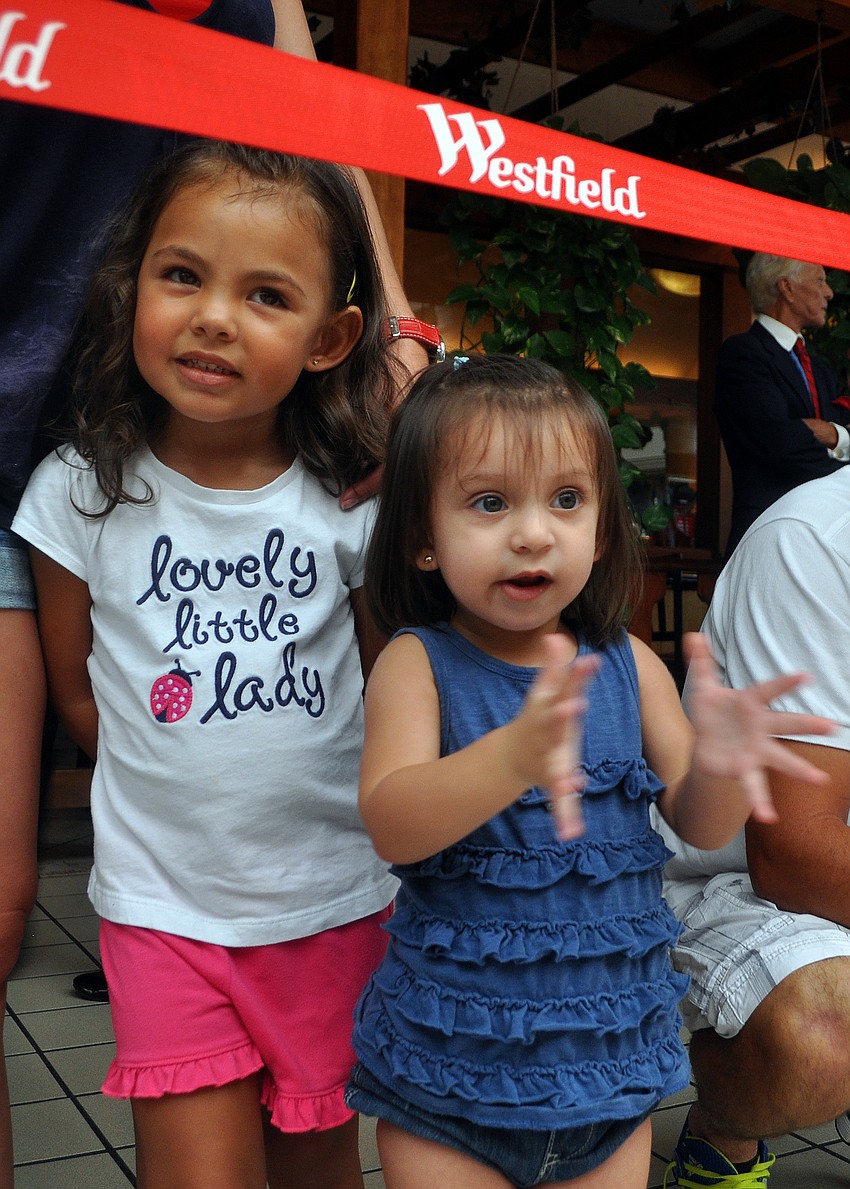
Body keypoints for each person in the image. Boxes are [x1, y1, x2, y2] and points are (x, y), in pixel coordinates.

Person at [342, 353, 834, 1189]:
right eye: (490, 502)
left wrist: (721, 763)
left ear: (601, 529)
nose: (534, 531)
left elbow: (700, 824)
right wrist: (510, 757)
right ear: (423, 537)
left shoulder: (628, 665)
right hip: (452, 1071)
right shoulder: (417, 664)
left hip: (607, 1068)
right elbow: (391, 820)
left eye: (565, 500)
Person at [11, 139, 401, 1189]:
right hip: (161, 913)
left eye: (266, 294)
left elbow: (386, 698)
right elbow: (81, 701)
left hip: (332, 906)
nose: (214, 316)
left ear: (331, 338)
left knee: (318, 1165)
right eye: (181, 274)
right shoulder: (76, 491)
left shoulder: (347, 508)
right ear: (131, 281)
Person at [656, 464, 850, 1187]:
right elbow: (794, 853)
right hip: (741, 880)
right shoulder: (817, 542)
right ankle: (723, 1134)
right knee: (827, 1034)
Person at [715, 251, 850, 558]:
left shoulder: (822, 369)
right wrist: (839, 449)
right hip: (766, 534)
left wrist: (832, 433)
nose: (829, 292)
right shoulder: (743, 354)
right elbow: (777, 441)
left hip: (824, 539)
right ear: (786, 288)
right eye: (819, 280)